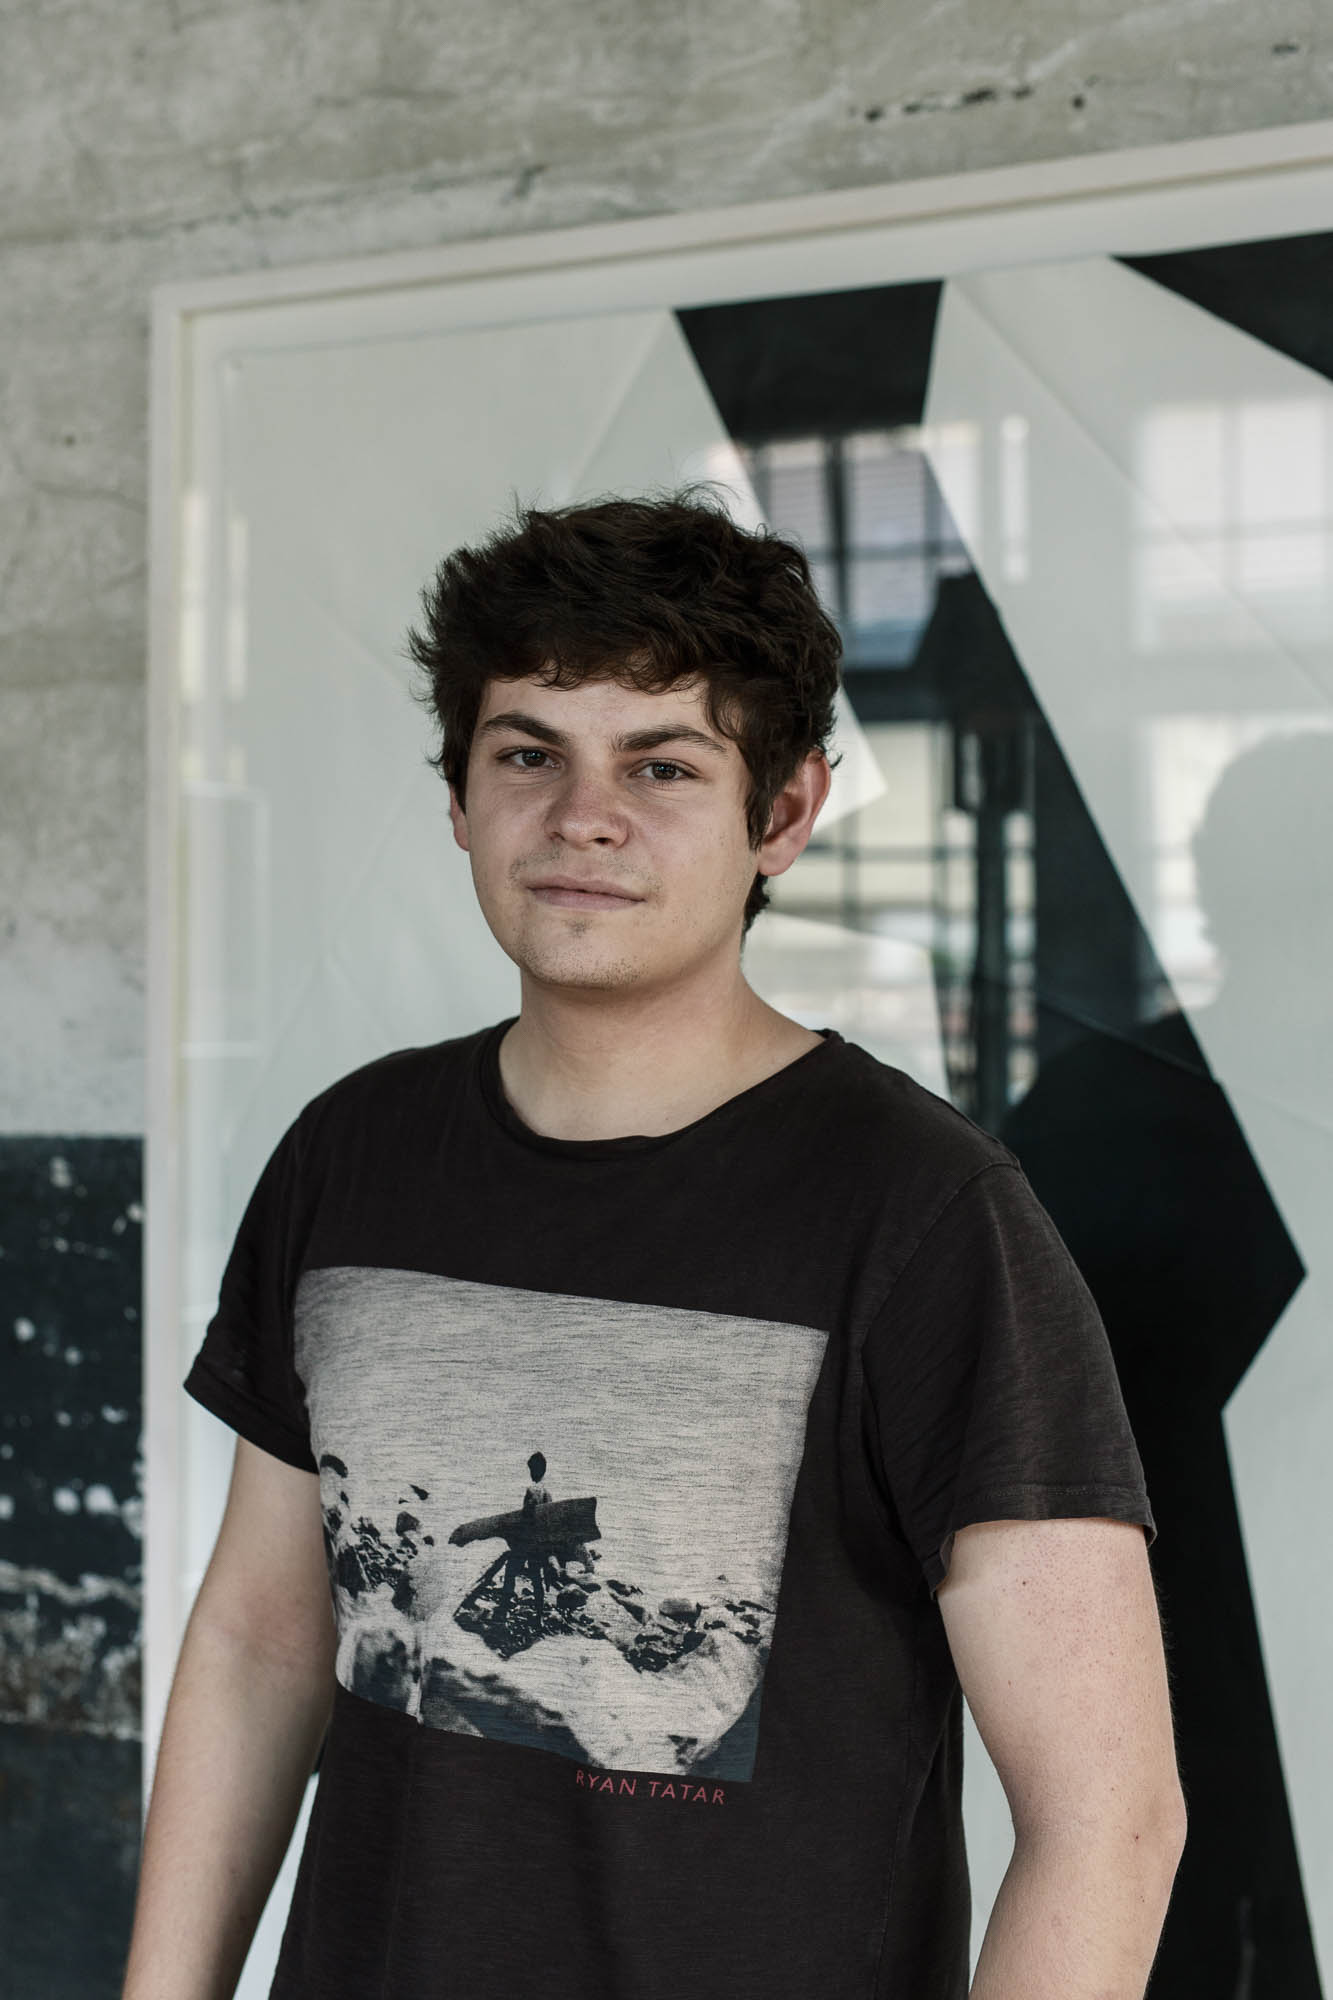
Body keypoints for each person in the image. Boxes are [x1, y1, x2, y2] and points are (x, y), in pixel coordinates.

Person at [121, 488, 1185, 2000]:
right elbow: (260, 1646)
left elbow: (1108, 1820)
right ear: (459, 796)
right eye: (527, 754)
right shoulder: (351, 1155)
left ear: (785, 815)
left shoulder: (929, 1215)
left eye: (662, 765)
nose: (583, 817)